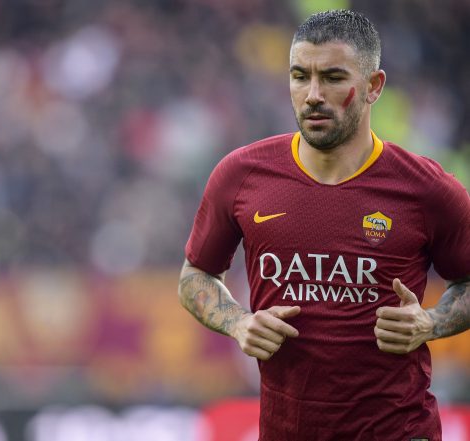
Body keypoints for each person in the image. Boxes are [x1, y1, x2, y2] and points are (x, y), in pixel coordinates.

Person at [178, 9, 470, 441]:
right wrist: (238, 322)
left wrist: (432, 323)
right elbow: (195, 276)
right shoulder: (242, 175)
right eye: (300, 76)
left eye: (333, 78)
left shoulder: (427, 188)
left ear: (374, 86)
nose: (313, 94)